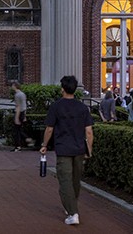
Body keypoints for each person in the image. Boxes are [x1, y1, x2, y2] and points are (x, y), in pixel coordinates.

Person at [41, 76, 93, 227]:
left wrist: (44, 144)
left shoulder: (56, 107)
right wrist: (89, 150)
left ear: (62, 89)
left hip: (63, 148)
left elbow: (49, 129)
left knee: (65, 181)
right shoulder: (83, 108)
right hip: (79, 149)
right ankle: (71, 207)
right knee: (76, 180)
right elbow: (89, 132)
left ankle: (72, 213)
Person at [11, 81, 28, 151]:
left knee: (17, 131)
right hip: (23, 112)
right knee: (20, 130)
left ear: (15, 86)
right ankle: (26, 141)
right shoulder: (23, 94)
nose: (11, 87)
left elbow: (18, 106)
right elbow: (24, 105)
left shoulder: (17, 95)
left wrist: (16, 118)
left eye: (12, 85)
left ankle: (18, 146)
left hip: (19, 113)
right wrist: (24, 115)